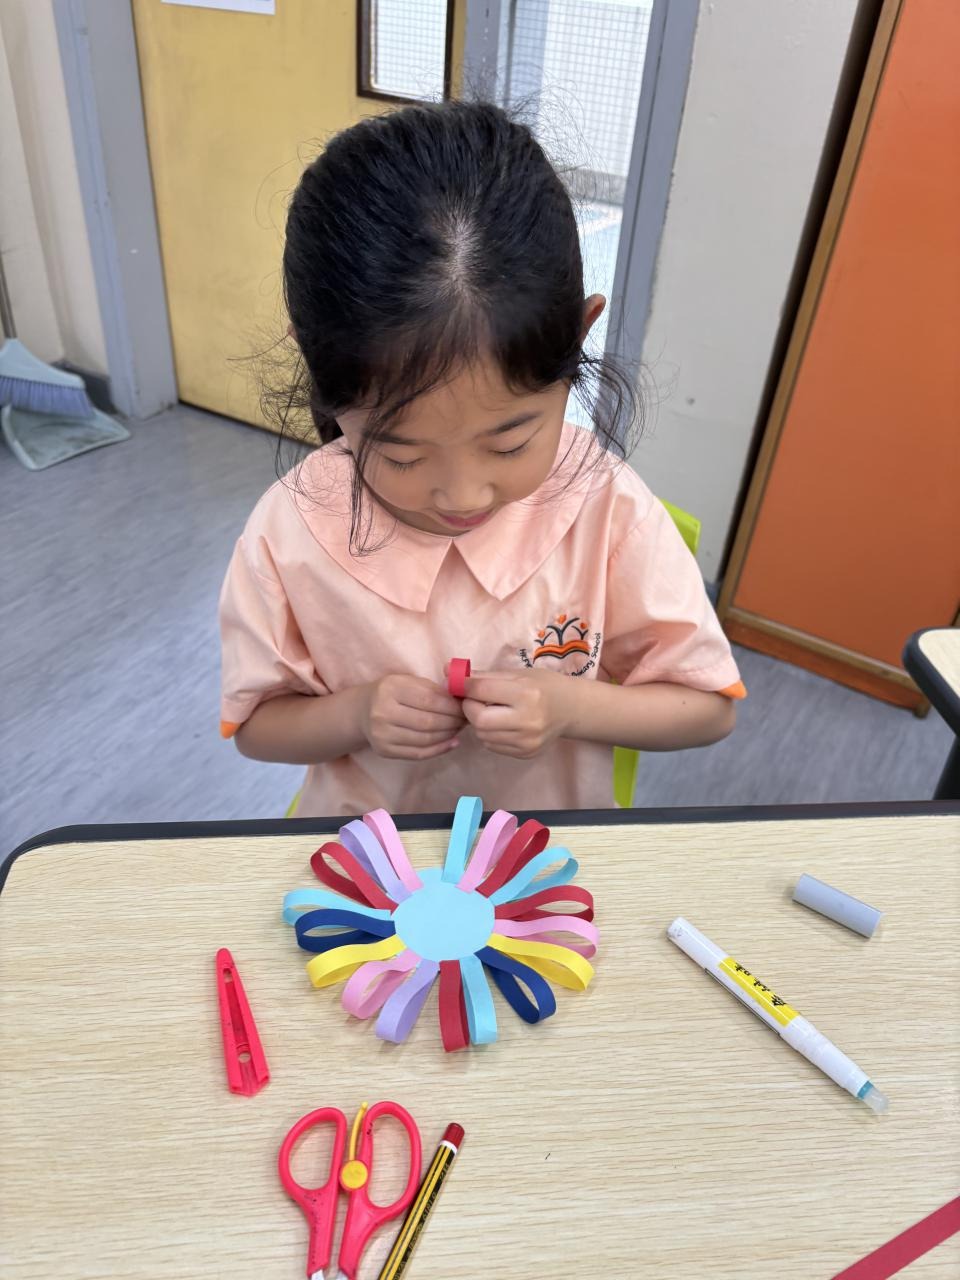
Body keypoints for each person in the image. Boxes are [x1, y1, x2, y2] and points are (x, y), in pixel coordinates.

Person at [219, 100, 744, 818]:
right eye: (402, 454)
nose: (461, 495)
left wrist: (570, 705)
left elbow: (708, 708)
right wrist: (356, 715)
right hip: (368, 856)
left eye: (508, 443)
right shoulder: (289, 534)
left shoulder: (605, 507)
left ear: (578, 338)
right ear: (318, 367)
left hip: (541, 855)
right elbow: (254, 725)